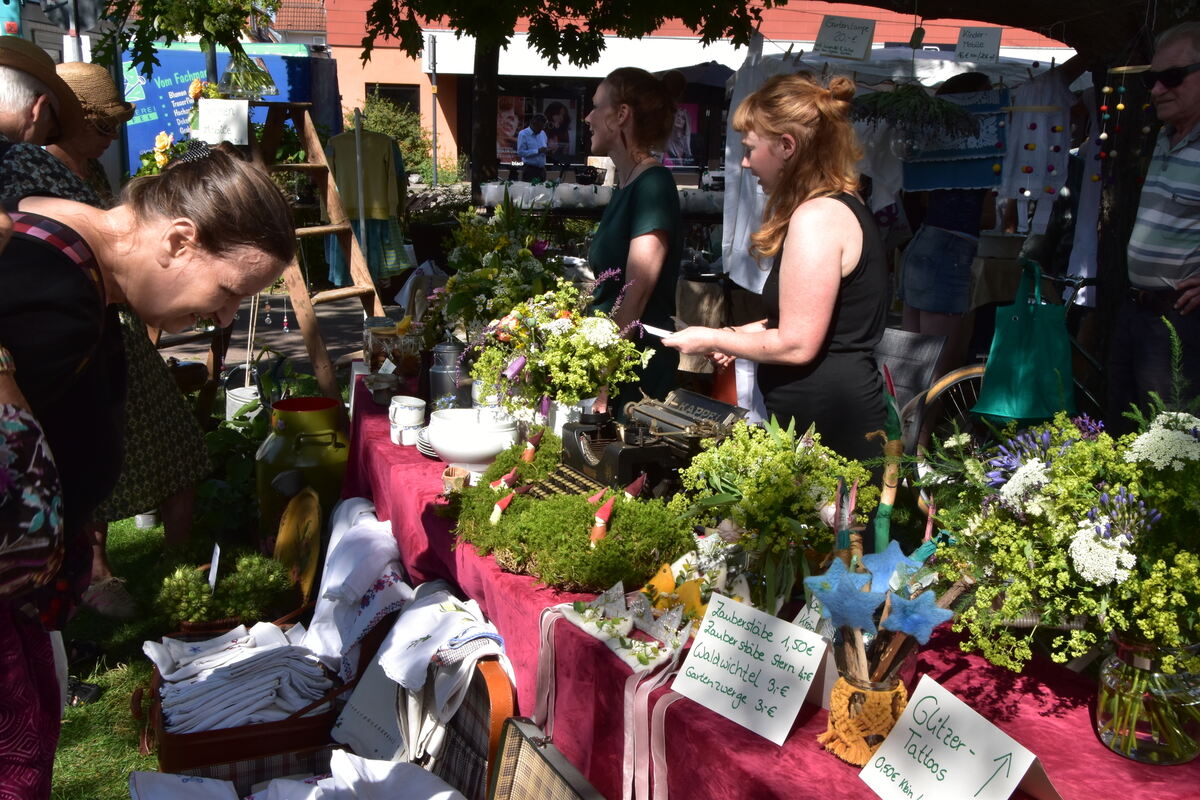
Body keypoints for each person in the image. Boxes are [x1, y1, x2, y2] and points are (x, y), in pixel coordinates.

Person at [0, 143, 295, 799]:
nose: (223, 318)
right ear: (179, 240)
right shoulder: (50, 291)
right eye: (228, 292)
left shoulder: (63, 239)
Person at [44, 60, 215, 619]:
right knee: (90, 449)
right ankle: (97, 575)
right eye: (103, 124)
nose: (112, 136)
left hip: (121, 329)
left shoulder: (91, 171)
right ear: (66, 118)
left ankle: (178, 561)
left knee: (177, 438)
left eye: (116, 125)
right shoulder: (34, 171)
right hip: (76, 333)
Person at [663, 73, 888, 463]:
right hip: (821, 411)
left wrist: (711, 338)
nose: (745, 162)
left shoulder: (818, 216)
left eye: (750, 149)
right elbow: (813, 318)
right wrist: (734, 334)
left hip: (828, 421)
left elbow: (798, 343)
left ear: (787, 146)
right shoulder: (837, 205)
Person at [1107, 21, 1200, 432]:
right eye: (1152, 79)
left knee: (1173, 443)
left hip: (1182, 321)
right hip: (1138, 312)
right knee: (1123, 434)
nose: (1158, 89)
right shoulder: (1165, 136)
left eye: (1172, 77)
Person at [585, 67, 686, 405]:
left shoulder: (653, 185)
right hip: (613, 360)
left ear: (621, 115)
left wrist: (603, 385)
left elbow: (635, 296)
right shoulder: (628, 183)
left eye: (596, 106)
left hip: (633, 370)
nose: (588, 117)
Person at [898, 71, 995, 379]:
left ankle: (910, 413)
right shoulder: (977, 143)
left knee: (911, 365)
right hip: (949, 247)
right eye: (987, 94)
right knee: (936, 368)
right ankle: (924, 415)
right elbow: (988, 217)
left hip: (927, 242)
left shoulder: (938, 140)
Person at [516, 113, 549, 182]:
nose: (541, 130)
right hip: (530, 170)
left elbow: (544, 148)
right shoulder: (523, 134)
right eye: (540, 127)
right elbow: (520, 152)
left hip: (542, 169)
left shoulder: (542, 133)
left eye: (543, 127)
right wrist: (537, 151)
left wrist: (547, 151)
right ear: (533, 124)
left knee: (543, 188)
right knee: (529, 188)